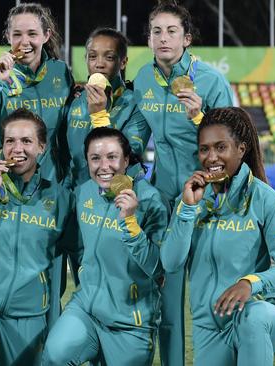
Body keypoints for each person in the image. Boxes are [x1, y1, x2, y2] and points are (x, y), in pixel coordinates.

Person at [133, 3, 234, 363]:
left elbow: (234, 147)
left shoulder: (211, 81)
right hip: (164, 205)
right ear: (147, 38)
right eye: (156, 31)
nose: (163, 38)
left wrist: (199, 118)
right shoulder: (143, 79)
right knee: (167, 306)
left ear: (187, 38)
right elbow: (135, 138)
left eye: (172, 31)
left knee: (212, 303)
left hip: (207, 203)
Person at [161, 107, 275, 365]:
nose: (211, 157)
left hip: (261, 317)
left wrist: (250, 283)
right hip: (209, 328)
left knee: (253, 316)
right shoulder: (190, 199)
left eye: (221, 147)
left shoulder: (267, 201)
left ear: (241, 149)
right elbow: (171, 262)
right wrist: (188, 209)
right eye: (204, 149)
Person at [0, 109, 73, 365]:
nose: (17, 148)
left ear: (41, 147)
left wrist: (53, 320)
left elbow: (63, 262)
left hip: (28, 311)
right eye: (10, 141)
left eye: (26, 141)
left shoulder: (60, 198)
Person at [42, 127, 168, 365]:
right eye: (95, 158)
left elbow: (158, 268)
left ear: (127, 159)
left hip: (131, 322)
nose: (104, 166)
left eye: (112, 157)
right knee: (54, 355)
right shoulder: (84, 193)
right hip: (86, 310)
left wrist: (130, 222)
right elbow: (77, 244)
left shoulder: (150, 200)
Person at [0, 2, 73, 183]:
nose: (24, 42)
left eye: (32, 34)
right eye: (17, 34)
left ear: (46, 35)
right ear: (8, 36)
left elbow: (65, 136)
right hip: (2, 186)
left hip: (48, 189)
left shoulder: (60, 72)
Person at [66, 27, 150, 188]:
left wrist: (100, 117)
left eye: (109, 57)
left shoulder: (136, 104)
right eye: (92, 57)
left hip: (115, 198)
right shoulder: (74, 99)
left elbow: (130, 157)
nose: (99, 64)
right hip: (76, 197)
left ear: (123, 62)